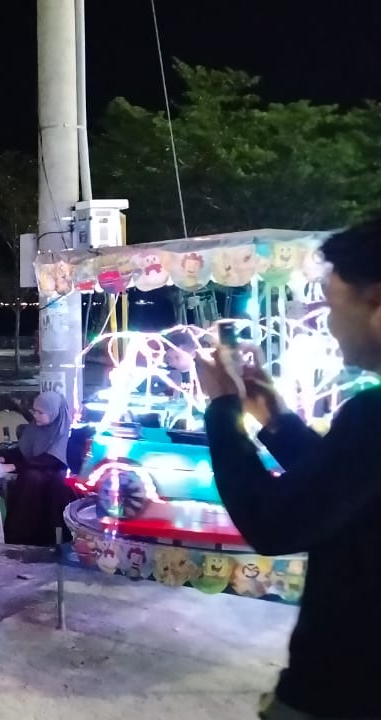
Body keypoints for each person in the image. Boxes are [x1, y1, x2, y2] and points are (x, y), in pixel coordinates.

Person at [195, 217, 381, 720]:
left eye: (334, 304)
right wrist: (274, 417)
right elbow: (341, 487)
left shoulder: (372, 414)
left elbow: (273, 522)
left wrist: (222, 409)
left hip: (344, 692)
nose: (329, 323)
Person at [0, 390, 75, 546]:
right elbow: (23, 451)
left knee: (57, 482)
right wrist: (5, 458)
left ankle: (57, 537)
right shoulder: (34, 428)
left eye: (40, 412)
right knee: (31, 478)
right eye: (34, 411)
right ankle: (22, 537)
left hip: (58, 470)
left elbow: (54, 459)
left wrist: (14, 465)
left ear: (53, 413)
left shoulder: (65, 430)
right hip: (37, 469)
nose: (35, 415)